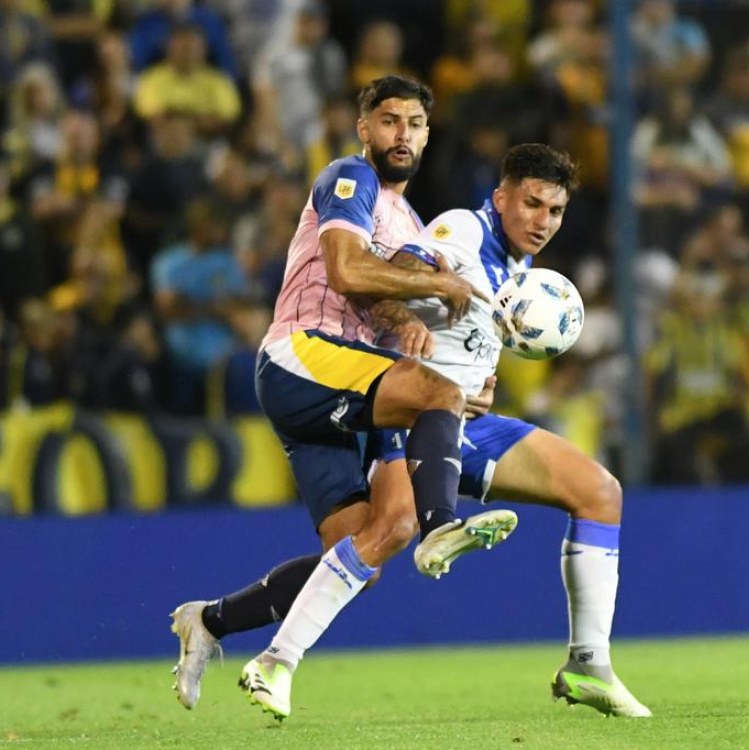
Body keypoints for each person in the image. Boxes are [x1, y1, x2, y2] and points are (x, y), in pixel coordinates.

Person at [176, 144, 651, 720]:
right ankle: (279, 660)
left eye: (555, 211)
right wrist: (407, 315)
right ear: (501, 198)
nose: (543, 221)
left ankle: (588, 663)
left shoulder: (518, 269)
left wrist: (479, 384)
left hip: (463, 420)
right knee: (391, 530)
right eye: (532, 204)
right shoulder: (462, 231)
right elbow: (389, 279)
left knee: (599, 492)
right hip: (411, 415)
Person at [169, 74, 519, 707]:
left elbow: (386, 308)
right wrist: (437, 292)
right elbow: (347, 270)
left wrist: (453, 382)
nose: (402, 134)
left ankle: (211, 622)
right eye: (389, 121)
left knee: (370, 546)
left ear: (427, 135)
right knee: (431, 416)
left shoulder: (412, 222)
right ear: (365, 129)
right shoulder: (349, 179)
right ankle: (445, 526)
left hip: (350, 382)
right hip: (303, 354)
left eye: (415, 124)